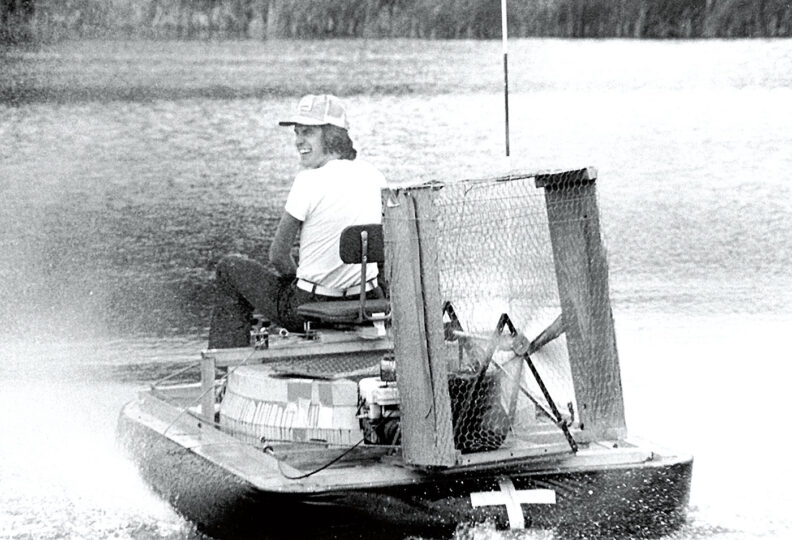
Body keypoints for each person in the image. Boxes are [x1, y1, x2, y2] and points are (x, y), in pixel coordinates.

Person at [207, 94, 387, 349]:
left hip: (309, 306)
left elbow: (277, 255)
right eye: (297, 133)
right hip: (368, 300)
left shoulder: (308, 181)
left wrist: (297, 280)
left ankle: (224, 368)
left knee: (230, 268)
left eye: (308, 133)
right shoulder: (374, 176)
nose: (298, 141)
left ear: (332, 136)